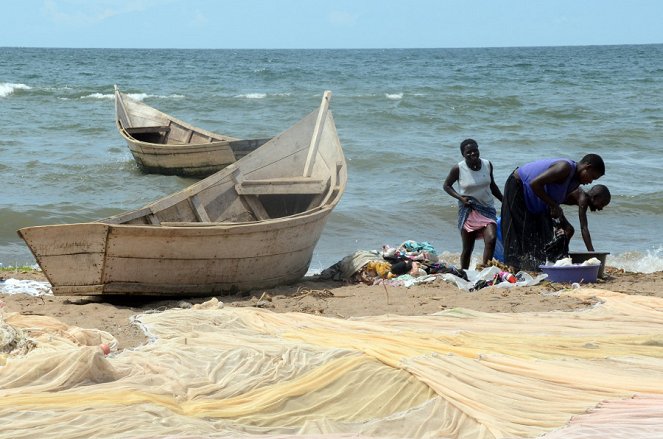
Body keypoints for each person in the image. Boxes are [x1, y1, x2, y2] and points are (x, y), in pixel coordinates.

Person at [500, 154, 605, 271]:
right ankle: (513, 268)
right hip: (518, 185)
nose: (590, 181)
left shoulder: (575, 181)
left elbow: (553, 194)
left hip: (538, 199)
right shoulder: (565, 168)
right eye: (592, 177)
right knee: (517, 230)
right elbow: (534, 183)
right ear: (587, 167)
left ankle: (534, 267)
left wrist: (553, 208)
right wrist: (553, 205)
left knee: (542, 236)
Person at [443, 138, 503, 269]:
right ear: (463, 154)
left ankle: (484, 270)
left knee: (491, 239)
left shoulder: (487, 164)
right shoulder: (458, 168)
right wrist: (460, 198)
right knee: (468, 249)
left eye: (475, 150)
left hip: (487, 209)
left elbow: (492, 185)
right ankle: (463, 273)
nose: (473, 154)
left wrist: (504, 201)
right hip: (469, 211)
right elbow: (446, 186)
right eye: (468, 152)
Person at [559, 184, 611, 251]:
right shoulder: (583, 199)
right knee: (568, 230)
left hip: (554, 205)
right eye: (601, 204)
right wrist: (592, 252)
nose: (601, 208)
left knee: (569, 230)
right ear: (594, 198)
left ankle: (562, 253)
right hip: (549, 204)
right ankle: (560, 253)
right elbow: (584, 228)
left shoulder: (582, 196)